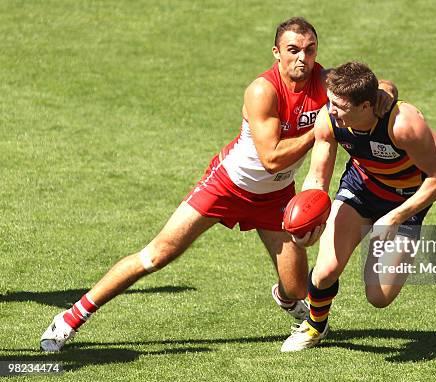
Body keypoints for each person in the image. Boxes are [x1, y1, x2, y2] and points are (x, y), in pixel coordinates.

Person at [40, 18, 394, 352]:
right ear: (277, 52)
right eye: (293, 50)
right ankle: (70, 319)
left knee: (299, 288)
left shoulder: (326, 82)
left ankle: (285, 300)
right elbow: (271, 158)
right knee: (155, 256)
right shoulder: (262, 91)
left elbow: (378, 88)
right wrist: (321, 127)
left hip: (276, 197)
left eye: (311, 49)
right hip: (227, 186)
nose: (303, 57)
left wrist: (386, 95)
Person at [280, 61, 436, 352]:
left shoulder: (404, 125)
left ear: (366, 107)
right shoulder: (330, 118)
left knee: (379, 297)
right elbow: (318, 177)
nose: (331, 110)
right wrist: (312, 216)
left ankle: (386, 240)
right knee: (325, 272)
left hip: (405, 201)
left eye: (339, 105)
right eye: (330, 101)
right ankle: (314, 326)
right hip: (362, 188)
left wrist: (395, 217)